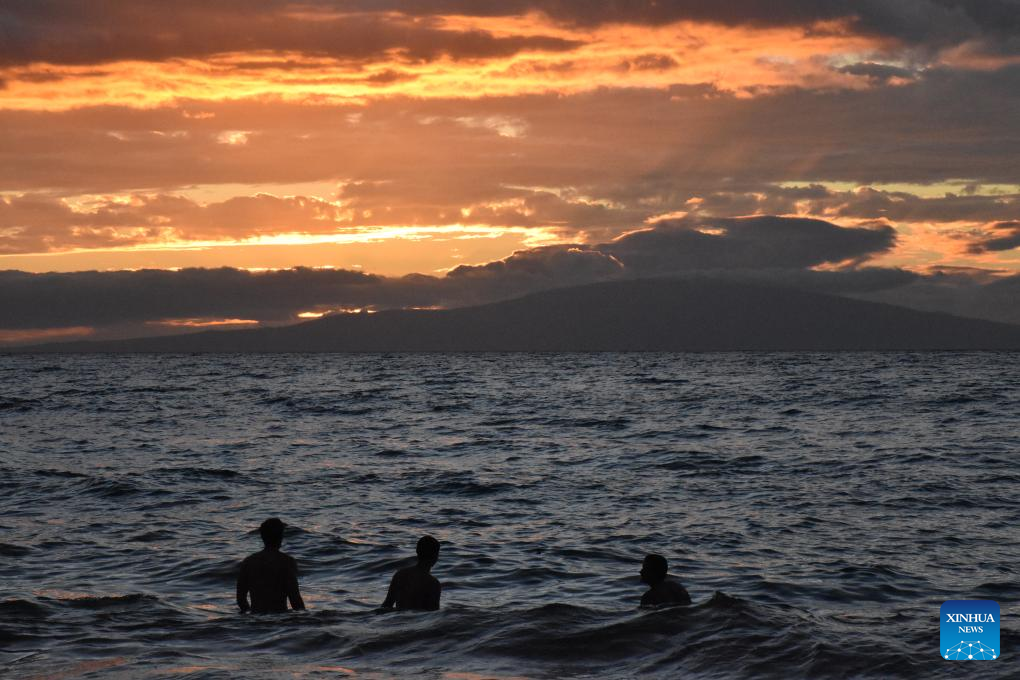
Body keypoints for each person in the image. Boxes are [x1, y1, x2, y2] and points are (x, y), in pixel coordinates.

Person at [236, 517, 306, 613]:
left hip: (256, 619)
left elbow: (241, 599)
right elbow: (295, 599)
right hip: (280, 618)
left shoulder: (248, 562)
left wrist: (250, 615)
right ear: (281, 537)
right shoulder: (286, 562)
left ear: (262, 537)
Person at [381, 535, 441, 611]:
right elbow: (433, 613)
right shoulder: (433, 583)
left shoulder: (400, 575)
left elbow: (387, 605)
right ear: (436, 556)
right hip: (418, 621)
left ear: (417, 552)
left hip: (398, 619)